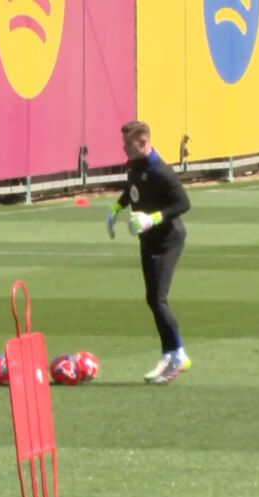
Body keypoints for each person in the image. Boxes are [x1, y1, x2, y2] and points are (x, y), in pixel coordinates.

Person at [106, 121, 192, 384]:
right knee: (152, 298)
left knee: (158, 298)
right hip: (148, 239)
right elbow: (133, 189)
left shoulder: (160, 170)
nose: (123, 149)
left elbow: (183, 203)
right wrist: (115, 208)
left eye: (128, 145)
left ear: (143, 143)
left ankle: (179, 354)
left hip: (168, 240)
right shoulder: (136, 164)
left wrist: (152, 219)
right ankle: (168, 354)